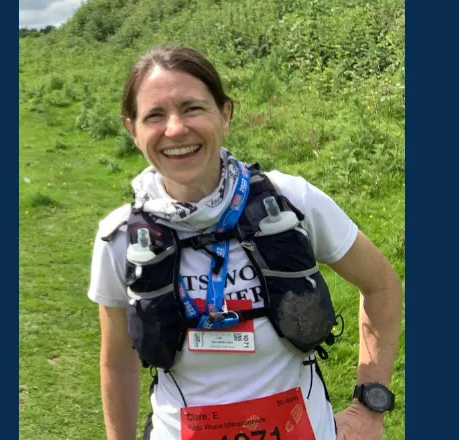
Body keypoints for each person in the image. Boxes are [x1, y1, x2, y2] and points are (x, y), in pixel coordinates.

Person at [87, 45, 403, 440]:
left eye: (192, 108)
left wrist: (369, 407)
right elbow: (117, 361)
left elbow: (382, 285)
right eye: (155, 115)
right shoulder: (120, 238)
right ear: (132, 130)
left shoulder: (292, 202)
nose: (175, 129)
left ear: (226, 114)